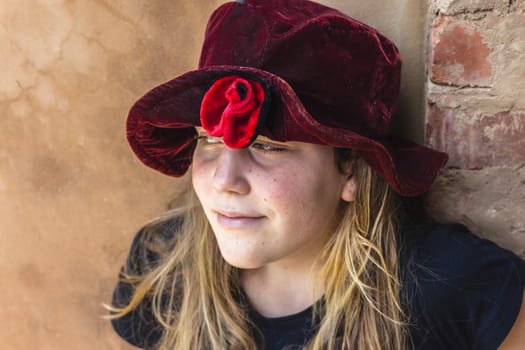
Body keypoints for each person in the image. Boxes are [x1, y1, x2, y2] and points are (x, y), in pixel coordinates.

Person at [107, 0, 525, 348]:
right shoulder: (164, 269)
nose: (223, 180)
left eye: (268, 147)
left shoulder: (453, 287)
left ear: (353, 172)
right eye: (209, 140)